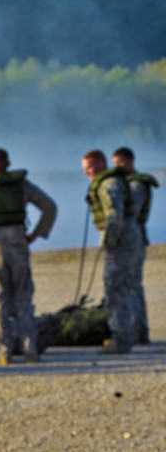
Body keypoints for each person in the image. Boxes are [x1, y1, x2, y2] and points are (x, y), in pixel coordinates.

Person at [0, 149, 57, 364]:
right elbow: (50, 207)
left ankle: (4, 351)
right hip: (18, 243)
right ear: (8, 163)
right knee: (24, 298)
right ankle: (30, 349)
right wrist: (37, 234)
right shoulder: (22, 185)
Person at [81, 149, 143, 354]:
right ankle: (130, 334)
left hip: (121, 241)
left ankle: (121, 339)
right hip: (130, 237)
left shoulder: (108, 184)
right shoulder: (114, 181)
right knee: (125, 287)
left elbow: (114, 215)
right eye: (85, 169)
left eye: (90, 167)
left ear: (100, 164)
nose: (87, 172)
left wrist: (109, 242)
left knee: (115, 289)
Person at [112, 147, 158, 344]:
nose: (118, 168)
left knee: (132, 285)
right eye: (115, 164)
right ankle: (136, 330)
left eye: (120, 163)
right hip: (133, 237)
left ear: (130, 161)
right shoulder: (126, 183)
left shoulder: (136, 184)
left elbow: (133, 212)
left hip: (134, 239)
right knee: (130, 285)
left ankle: (139, 331)